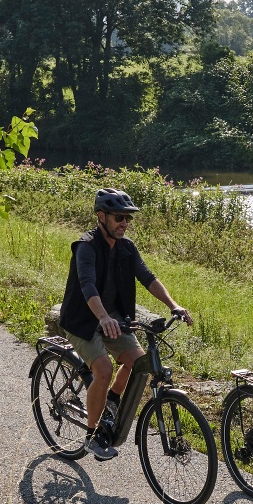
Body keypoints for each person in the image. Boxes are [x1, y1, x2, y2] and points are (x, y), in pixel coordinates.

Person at [59, 188, 192, 461]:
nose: (124, 223)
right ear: (101, 216)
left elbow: (148, 277)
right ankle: (92, 436)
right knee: (104, 369)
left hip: (114, 318)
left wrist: (173, 305)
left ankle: (112, 400)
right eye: (119, 217)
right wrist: (103, 317)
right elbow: (87, 284)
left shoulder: (126, 248)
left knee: (139, 364)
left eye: (128, 219)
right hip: (83, 320)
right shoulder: (86, 246)